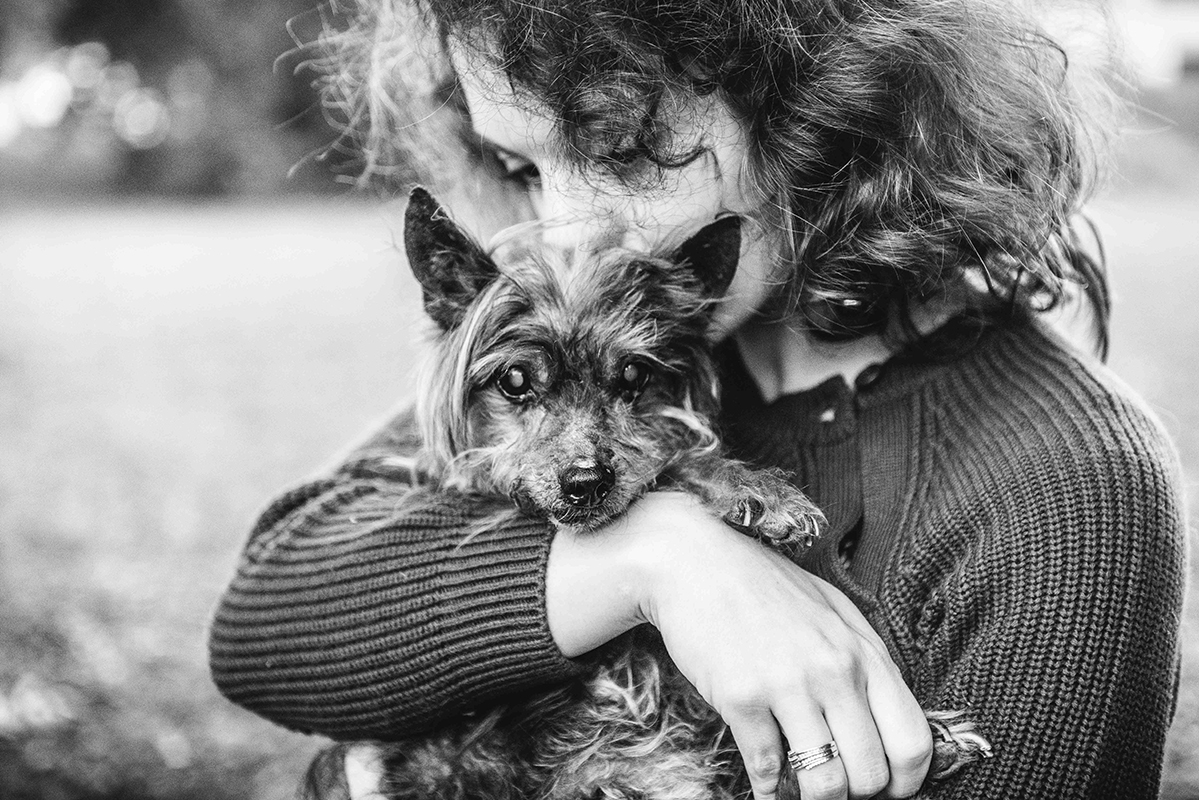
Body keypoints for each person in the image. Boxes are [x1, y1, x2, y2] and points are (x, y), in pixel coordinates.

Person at [208, 0, 1187, 797]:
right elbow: (265, 616)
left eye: (625, 149)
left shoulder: (1070, 488)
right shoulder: (620, 351)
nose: (565, 227)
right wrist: (659, 555)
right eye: (520, 167)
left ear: (817, 112)